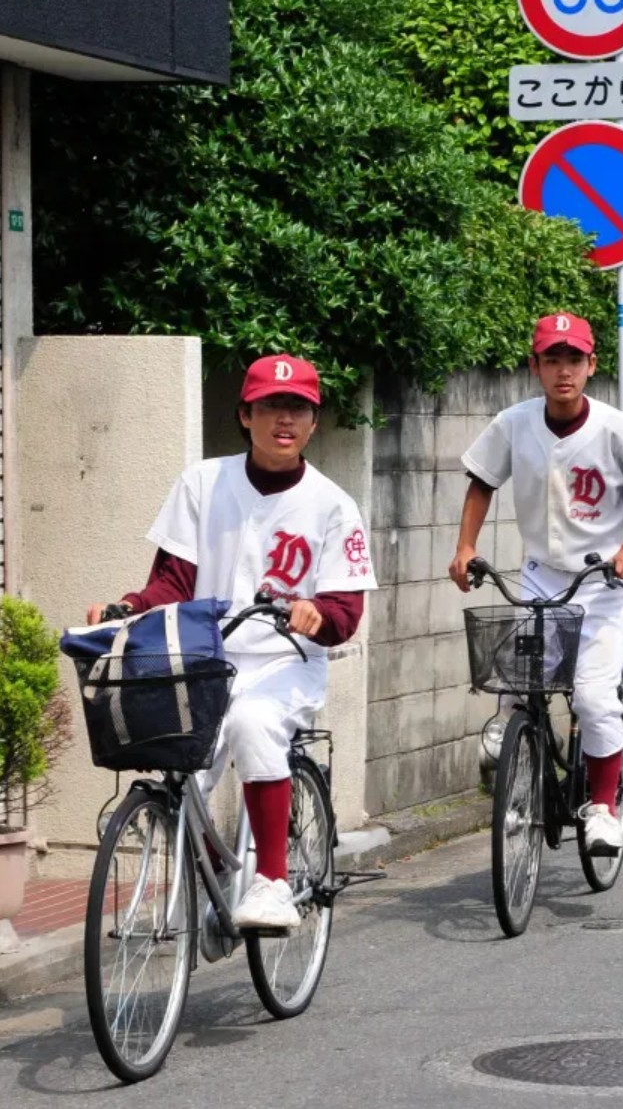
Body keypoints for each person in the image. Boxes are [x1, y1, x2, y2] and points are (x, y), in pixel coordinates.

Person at [86, 355, 375, 930]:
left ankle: (270, 881)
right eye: (271, 406)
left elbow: (346, 612)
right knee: (180, 759)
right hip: (206, 658)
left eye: (297, 408)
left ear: (314, 422)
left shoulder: (333, 506)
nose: (284, 420)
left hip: (283, 662)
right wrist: (127, 607)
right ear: (246, 414)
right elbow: (172, 581)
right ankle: (207, 868)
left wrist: (314, 613)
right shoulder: (202, 482)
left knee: (253, 724)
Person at [449, 313, 623, 855]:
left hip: (603, 585)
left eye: (574, 359)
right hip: (540, 578)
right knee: (513, 678)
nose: (563, 371)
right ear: (536, 367)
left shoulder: (618, 429)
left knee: (595, 698)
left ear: (591, 365)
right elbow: (481, 482)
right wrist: (464, 548)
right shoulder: (513, 422)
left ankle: (603, 805)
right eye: (552, 360)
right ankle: (513, 742)